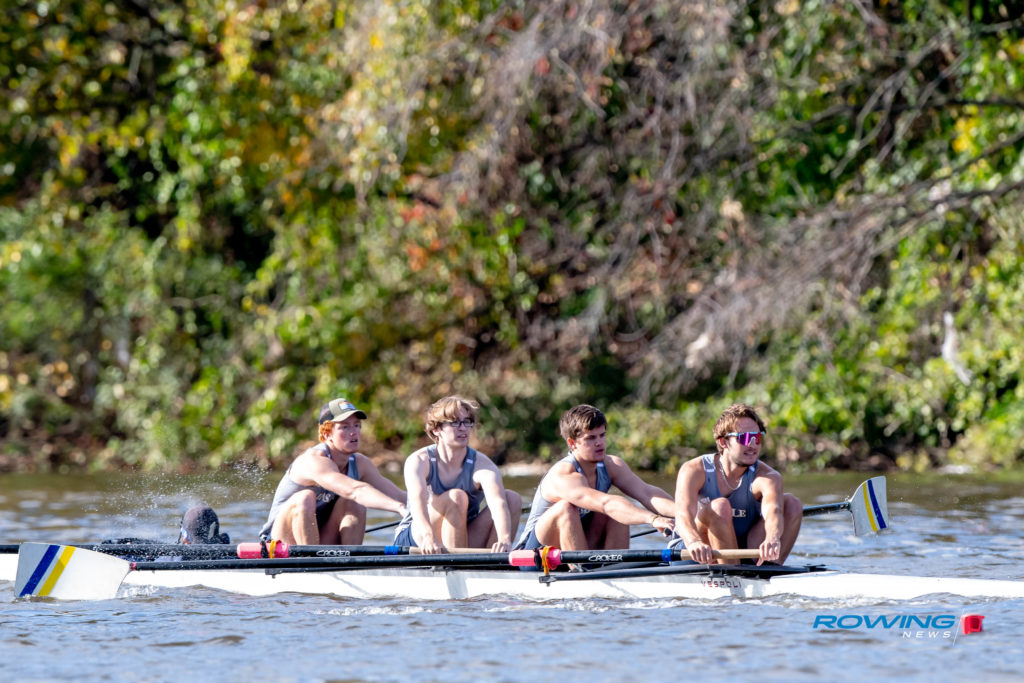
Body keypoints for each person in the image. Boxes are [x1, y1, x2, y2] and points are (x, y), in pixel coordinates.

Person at [514, 404, 676, 552]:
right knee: (567, 508)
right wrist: (653, 519)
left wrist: (684, 515)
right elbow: (606, 504)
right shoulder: (564, 474)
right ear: (572, 443)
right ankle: (580, 569)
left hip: (577, 545)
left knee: (616, 514)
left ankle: (614, 568)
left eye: (602, 435)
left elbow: (648, 493)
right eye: (590, 438)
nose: (599, 443)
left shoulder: (612, 465)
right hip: (534, 555)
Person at [259, 398, 407, 544]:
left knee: (354, 503)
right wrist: (400, 508)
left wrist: (416, 507)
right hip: (280, 542)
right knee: (305, 498)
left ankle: (351, 558)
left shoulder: (361, 464)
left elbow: (399, 497)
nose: (354, 432)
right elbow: (355, 491)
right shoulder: (313, 460)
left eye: (356, 425)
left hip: (320, 538)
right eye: (345, 427)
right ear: (326, 434)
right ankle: (309, 558)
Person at [671, 403, 802, 565]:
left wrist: (772, 537)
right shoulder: (694, 470)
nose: (752, 444)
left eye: (757, 437)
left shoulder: (768, 477)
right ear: (723, 442)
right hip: (694, 551)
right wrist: (694, 542)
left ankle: (768, 568)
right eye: (744, 438)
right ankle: (732, 574)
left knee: (792, 504)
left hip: (740, 549)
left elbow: (773, 511)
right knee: (720, 506)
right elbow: (683, 515)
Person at [393, 396, 521, 553]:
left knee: (512, 499)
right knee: (456, 497)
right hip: (418, 536)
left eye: (467, 422)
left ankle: (495, 559)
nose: (463, 428)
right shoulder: (419, 461)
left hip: (462, 535)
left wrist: (504, 538)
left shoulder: (483, 465)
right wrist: (428, 536)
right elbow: (417, 501)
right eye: (454, 422)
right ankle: (455, 563)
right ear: (436, 429)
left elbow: (498, 503)